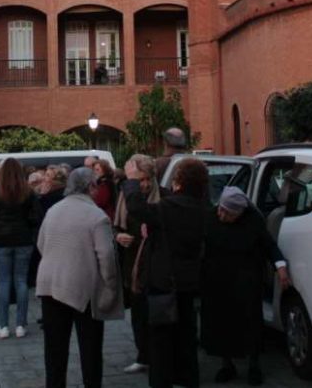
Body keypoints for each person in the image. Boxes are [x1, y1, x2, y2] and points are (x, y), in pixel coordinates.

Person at [124, 156, 208, 388]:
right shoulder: (201, 208)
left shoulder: (173, 206)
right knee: (186, 338)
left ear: (179, 182)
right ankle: (188, 380)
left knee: (160, 341)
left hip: (165, 283)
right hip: (188, 282)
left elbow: (136, 207)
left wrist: (130, 180)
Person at [36, 167, 123, 388]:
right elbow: (106, 257)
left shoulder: (54, 209)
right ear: (90, 187)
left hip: (50, 283)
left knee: (54, 348)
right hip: (82, 287)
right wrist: (111, 287)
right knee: (90, 348)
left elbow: (41, 244)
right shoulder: (97, 216)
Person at [201, 187, 290, 386]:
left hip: (246, 280)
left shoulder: (254, 221)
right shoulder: (210, 217)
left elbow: (269, 245)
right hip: (217, 280)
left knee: (250, 323)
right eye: (220, 209)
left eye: (227, 213)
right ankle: (227, 364)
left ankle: (254, 365)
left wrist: (281, 267)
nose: (220, 214)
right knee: (221, 324)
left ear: (239, 213)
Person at [0, 158, 42, 339]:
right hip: (23, 239)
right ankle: (21, 325)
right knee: (21, 281)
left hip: (0, 239)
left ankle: (3, 325)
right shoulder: (28, 192)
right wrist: (27, 225)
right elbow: (38, 216)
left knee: (4, 282)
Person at [113, 154, 160, 374]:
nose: (143, 184)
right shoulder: (124, 198)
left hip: (155, 267)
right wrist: (118, 237)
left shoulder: (161, 199)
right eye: (139, 179)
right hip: (131, 265)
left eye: (146, 179)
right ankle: (143, 356)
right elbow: (117, 226)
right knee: (138, 315)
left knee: (156, 316)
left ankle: (158, 357)